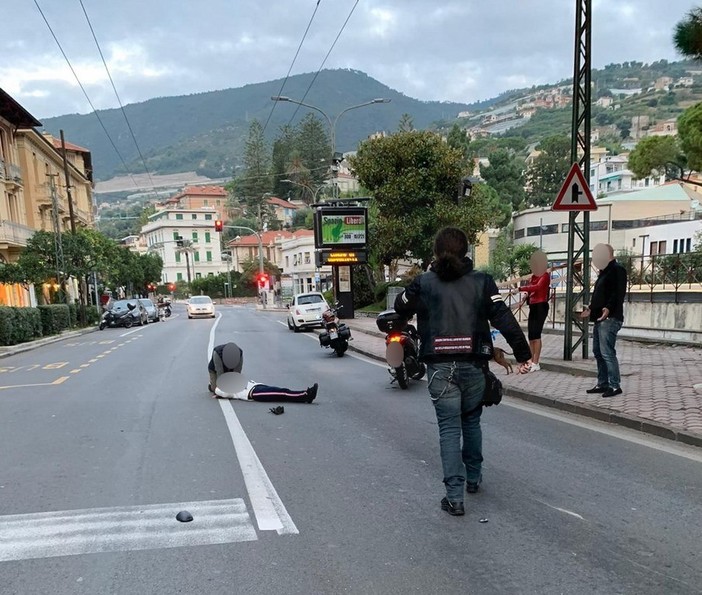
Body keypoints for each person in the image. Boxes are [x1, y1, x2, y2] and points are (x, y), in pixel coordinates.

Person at [395, 227, 532, 517]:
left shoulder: (424, 283)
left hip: (439, 367)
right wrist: (524, 355)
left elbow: (400, 307)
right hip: (474, 365)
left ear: (436, 252)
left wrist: (418, 285)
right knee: (471, 421)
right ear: (466, 251)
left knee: (448, 429)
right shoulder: (482, 282)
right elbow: (504, 317)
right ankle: (473, 478)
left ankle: (454, 497)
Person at [580, 244, 628, 398]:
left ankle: (615, 385)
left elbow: (618, 293)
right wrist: (591, 310)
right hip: (600, 318)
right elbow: (601, 296)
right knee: (598, 352)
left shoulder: (617, 270)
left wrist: (607, 308)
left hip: (610, 318)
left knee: (607, 352)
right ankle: (603, 383)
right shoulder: (604, 272)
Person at [208, 342, 318, 403]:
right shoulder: (224, 389)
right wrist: (218, 392)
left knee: (279, 390)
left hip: (254, 386)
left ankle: (305, 394)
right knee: (281, 393)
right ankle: (305, 394)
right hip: (252, 392)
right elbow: (223, 389)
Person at [518, 250, 551, 372]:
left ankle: (536, 362)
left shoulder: (545, 275)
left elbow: (537, 287)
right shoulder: (533, 276)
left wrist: (521, 288)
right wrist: (525, 295)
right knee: (531, 335)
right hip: (533, 305)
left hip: (541, 305)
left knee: (536, 334)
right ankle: (531, 360)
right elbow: (531, 289)